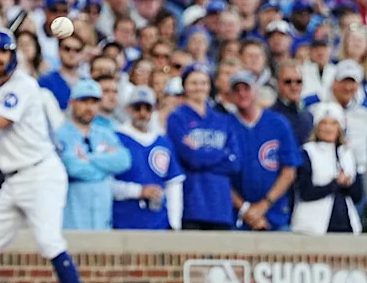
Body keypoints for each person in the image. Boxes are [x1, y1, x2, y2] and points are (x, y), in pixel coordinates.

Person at [0, 30, 82, 283]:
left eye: (3, 52)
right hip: (13, 180)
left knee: (49, 242)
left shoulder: (24, 84)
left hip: (40, 173)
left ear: (13, 54)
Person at [166, 64, 240, 229]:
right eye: (193, 83)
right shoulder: (177, 118)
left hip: (221, 206)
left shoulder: (223, 120)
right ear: (185, 86)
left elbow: (234, 163)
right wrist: (221, 153)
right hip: (192, 204)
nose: (199, 87)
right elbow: (190, 158)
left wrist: (200, 152)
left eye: (203, 83)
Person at [228, 70, 299, 231]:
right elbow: (221, 176)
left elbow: (289, 171)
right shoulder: (226, 125)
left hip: (275, 214)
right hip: (236, 216)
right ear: (231, 95)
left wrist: (264, 205)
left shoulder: (278, 123)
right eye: (236, 90)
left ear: (256, 90)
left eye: (246, 88)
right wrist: (245, 209)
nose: (242, 94)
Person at [56, 79, 131, 230]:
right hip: (72, 216)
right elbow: (73, 167)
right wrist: (104, 170)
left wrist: (89, 158)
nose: (89, 107)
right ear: (72, 103)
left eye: (94, 102)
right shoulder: (60, 134)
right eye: (84, 101)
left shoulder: (105, 133)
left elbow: (124, 161)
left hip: (102, 217)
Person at [112, 87, 184, 230]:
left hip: (158, 222)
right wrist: (138, 191)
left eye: (147, 108)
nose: (142, 113)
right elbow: (107, 183)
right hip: (124, 221)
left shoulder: (162, 142)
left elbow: (173, 183)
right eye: (137, 108)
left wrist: (175, 223)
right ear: (128, 109)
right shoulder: (116, 137)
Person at [291, 103, 363, 235]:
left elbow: (357, 195)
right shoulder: (308, 152)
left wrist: (347, 184)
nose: (328, 128)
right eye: (324, 123)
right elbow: (305, 192)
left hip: (346, 223)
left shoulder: (347, 153)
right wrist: (335, 184)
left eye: (333, 123)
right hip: (312, 226)